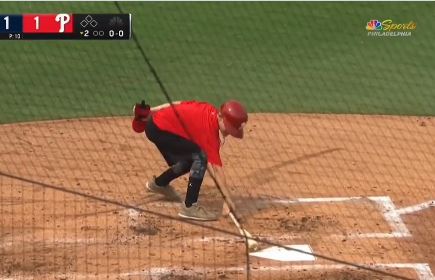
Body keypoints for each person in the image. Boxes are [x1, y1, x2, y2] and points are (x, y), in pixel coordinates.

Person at [139, 100, 248, 221]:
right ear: (221, 118)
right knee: (201, 157)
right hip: (159, 130)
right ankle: (189, 207)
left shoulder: (209, 109)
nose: (228, 133)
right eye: (228, 129)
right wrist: (227, 201)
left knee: (193, 156)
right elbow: (217, 170)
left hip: (157, 125)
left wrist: (152, 111)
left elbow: (178, 103)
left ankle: (159, 184)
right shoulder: (209, 130)